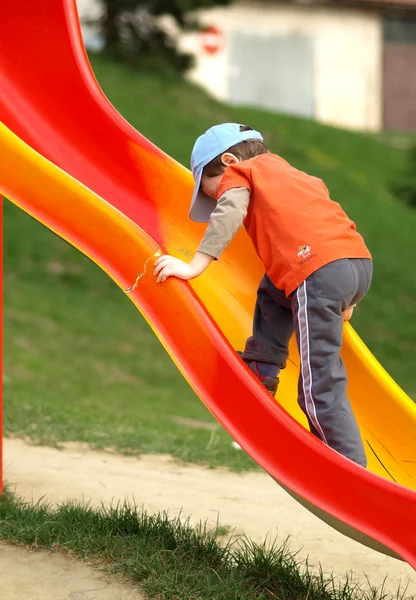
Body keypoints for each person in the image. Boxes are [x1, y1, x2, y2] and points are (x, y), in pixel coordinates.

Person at [153, 123, 372, 467]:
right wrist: (347, 296)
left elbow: (230, 212)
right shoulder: (291, 174)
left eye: (212, 192)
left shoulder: (241, 172)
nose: (217, 198)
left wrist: (195, 265)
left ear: (227, 161)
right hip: (355, 263)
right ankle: (263, 365)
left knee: (318, 383)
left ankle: (349, 469)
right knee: (274, 288)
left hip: (318, 271)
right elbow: (328, 218)